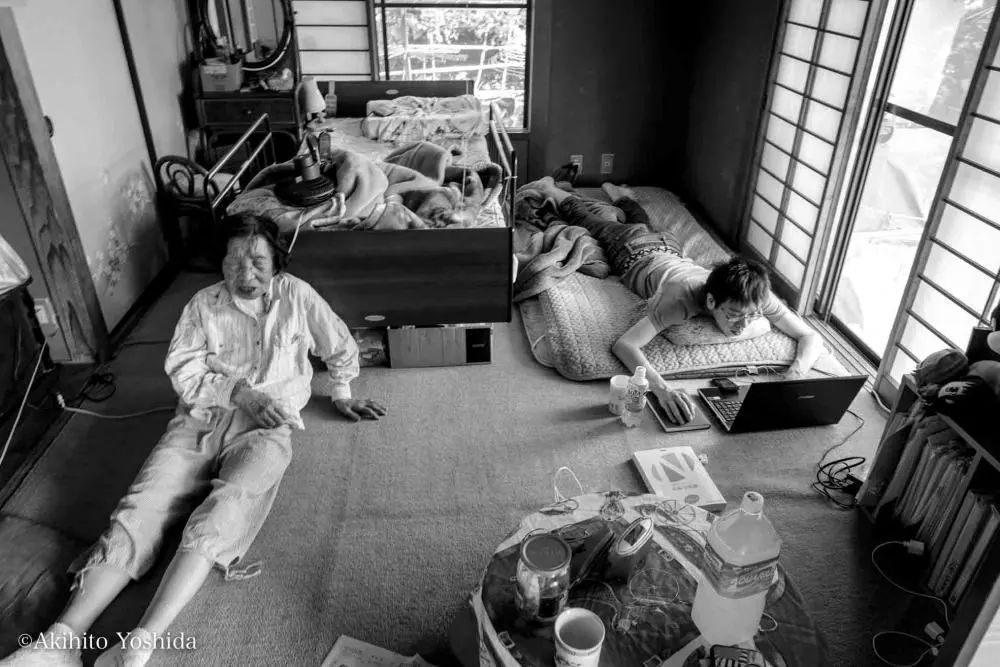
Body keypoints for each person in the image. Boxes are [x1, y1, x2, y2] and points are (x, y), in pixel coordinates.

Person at [1, 215, 386, 667]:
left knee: (226, 508)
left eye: (258, 262)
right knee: (142, 504)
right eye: (234, 261)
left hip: (268, 427)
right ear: (219, 262)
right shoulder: (202, 305)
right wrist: (237, 392)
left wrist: (341, 391)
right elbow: (184, 369)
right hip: (200, 416)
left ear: (277, 263)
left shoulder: (298, 296)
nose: (245, 274)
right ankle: (62, 639)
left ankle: (140, 642)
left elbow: (338, 343)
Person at [525, 177, 824, 425]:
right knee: (590, 221)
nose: (743, 325)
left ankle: (620, 196)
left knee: (642, 222)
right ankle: (552, 188)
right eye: (733, 315)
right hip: (631, 251)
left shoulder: (755, 295)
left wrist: (796, 374)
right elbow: (624, 345)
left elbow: (810, 336)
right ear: (710, 301)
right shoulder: (680, 298)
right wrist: (662, 389)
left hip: (671, 247)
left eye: (751, 316)